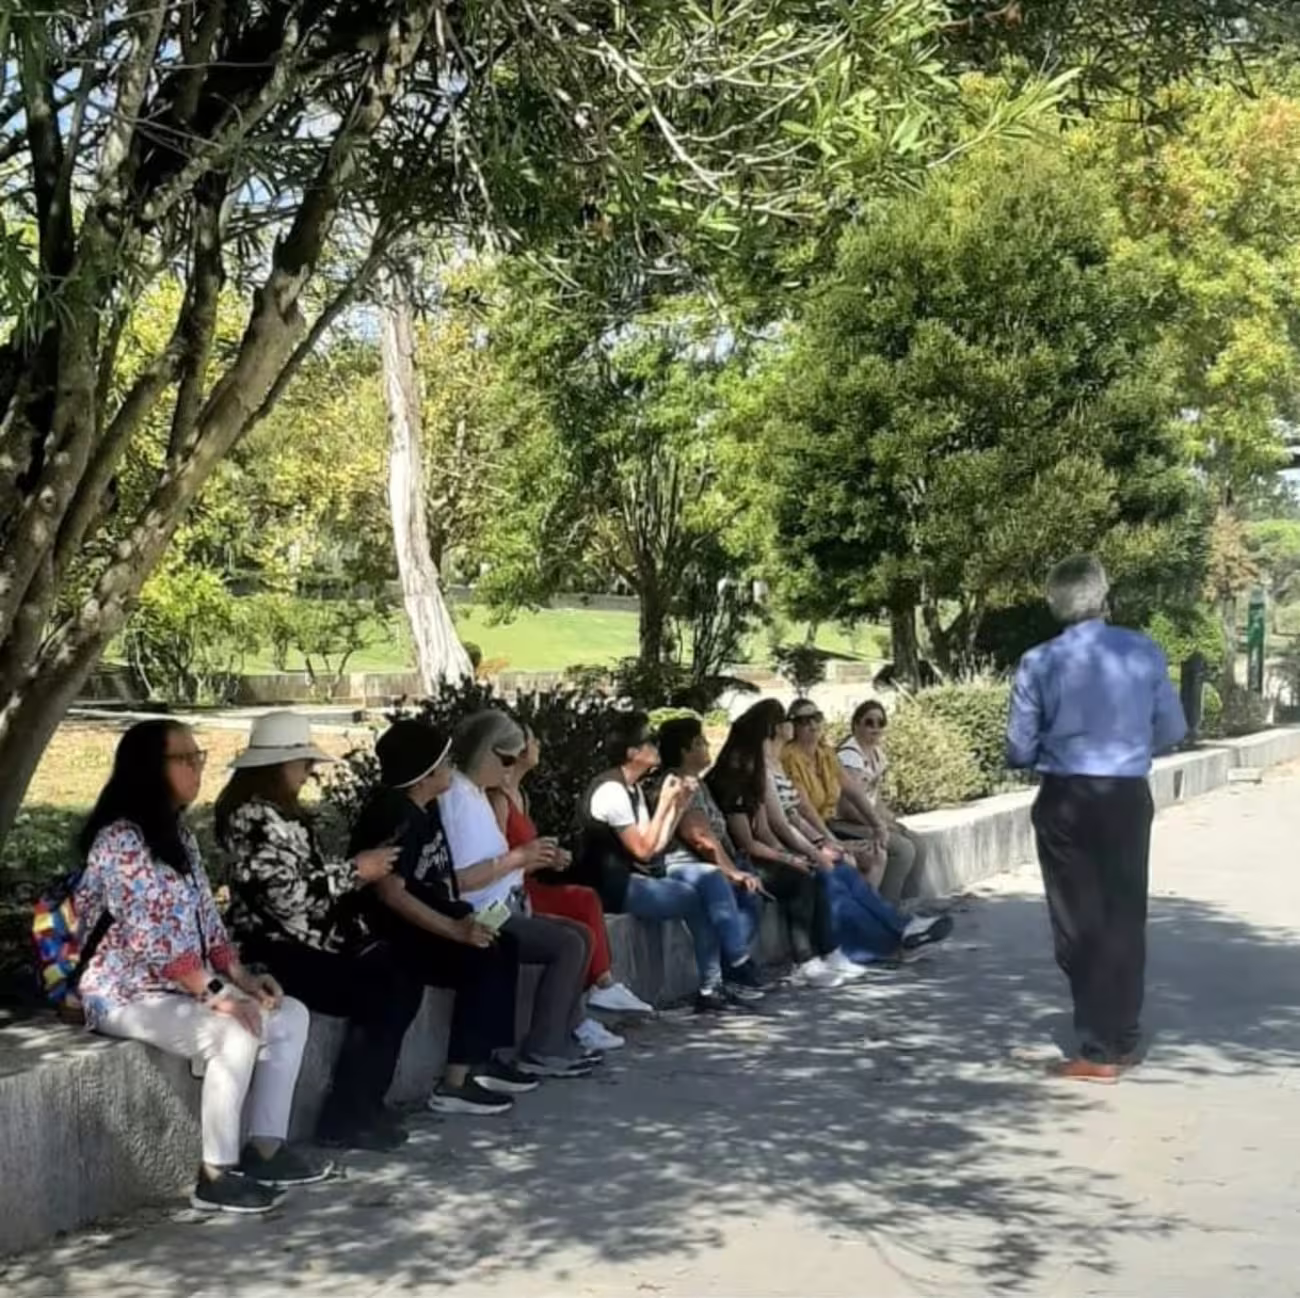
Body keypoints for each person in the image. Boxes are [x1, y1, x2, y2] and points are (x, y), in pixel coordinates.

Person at [73, 720, 328, 1216]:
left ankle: (267, 1149)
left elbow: (207, 920)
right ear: (150, 769)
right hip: (124, 993)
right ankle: (215, 1173)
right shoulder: (120, 841)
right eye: (185, 759)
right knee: (233, 1032)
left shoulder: (178, 835)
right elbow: (152, 942)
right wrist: (219, 996)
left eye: (199, 756)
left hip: (180, 989)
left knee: (289, 1014)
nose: (197, 768)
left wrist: (243, 978)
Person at [1008, 555, 1186, 1083]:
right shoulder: (1144, 650)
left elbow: (1018, 749)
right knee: (1125, 915)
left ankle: (1097, 1049)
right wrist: (1128, 743)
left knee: (1077, 920)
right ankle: (1122, 1036)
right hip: (1127, 795)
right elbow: (1173, 727)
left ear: (1053, 603)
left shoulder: (1038, 662)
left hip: (1067, 798)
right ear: (1104, 595)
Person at [215, 711, 422, 1152]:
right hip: (276, 949)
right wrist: (354, 871)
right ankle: (346, 1115)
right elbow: (283, 896)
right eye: (304, 763)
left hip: (312, 939)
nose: (310, 772)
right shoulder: (251, 818)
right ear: (278, 765)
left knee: (399, 975)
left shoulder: (276, 813)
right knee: (381, 987)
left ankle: (364, 1103)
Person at [350, 719, 540, 1116]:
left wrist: (464, 915)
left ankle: (482, 1059)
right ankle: (454, 1083)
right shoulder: (395, 816)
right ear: (424, 775)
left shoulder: (426, 806)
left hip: (434, 913)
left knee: (504, 945)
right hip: (398, 930)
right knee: (482, 953)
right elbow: (391, 893)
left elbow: (440, 875)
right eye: (443, 763)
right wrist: (455, 929)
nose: (451, 769)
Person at [439, 710, 596, 1076]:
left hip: (504, 901)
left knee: (581, 934)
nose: (510, 769)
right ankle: (543, 1048)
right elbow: (460, 879)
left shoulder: (477, 794)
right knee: (567, 944)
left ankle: (561, 1035)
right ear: (484, 753)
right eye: (506, 759)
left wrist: (537, 859)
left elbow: (500, 863)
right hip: (483, 911)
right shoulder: (458, 800)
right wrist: (519, 858)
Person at [573, 711, 763, 1012]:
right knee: (692, 898)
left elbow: (658, 844)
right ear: (633, 753)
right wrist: (664, 803)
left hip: (639, 874)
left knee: (712, 877)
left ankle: (728, 970)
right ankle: (719, 979)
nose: (656, 745)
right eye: (649, 741)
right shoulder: (611, 791)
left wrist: (679, 805)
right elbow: (643, 851)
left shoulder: (632, 787)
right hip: (611, 883)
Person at [489, 720, 654, 1055]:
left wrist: (550, 858)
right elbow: (497, 859)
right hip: (508, 894)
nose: (538, 744)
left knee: (583, 902)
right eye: (533, 738)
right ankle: (579, 1014)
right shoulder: (498, 800)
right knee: (575, 923)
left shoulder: (519, 794)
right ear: (518, 749)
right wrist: (534, 859)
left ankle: (599, 988)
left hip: (525, 882)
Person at [657, 715, 766, 992]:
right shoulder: (681, 783)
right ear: (685, 751)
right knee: (740, 889)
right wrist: (733, 872)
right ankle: (737, 966)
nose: (707, 746)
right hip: (683, 865)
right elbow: (701, 838)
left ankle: (731, 970)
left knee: (752, 895)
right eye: (700, 742)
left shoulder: (698, 782)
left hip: (708, 861)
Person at [783, 698, 891, 884]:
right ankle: (866, 908)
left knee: (878, 852)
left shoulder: (826, 753)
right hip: (808, 830)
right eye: (804, 720)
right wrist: (832, 841)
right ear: (793, 726)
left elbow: (853, 791)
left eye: (817, 717)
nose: (812, 724)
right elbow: (805, 808)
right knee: (869, 856)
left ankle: (871, 907)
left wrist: (878, 825)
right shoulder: (789, 757)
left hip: (830, 823)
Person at [836, 699, 930, 901]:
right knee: (902, 850)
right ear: (856, 725)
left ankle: (908, 906)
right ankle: (887, 911)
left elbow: (874, 797)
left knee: (919, 843)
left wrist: (890, 820)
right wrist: (879, 825)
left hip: (867, 819)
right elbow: (847, 807)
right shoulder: (849, 756)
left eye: (881, 723)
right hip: (844, 822)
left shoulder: (877, 754)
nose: (876, 728)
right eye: (869, 722)